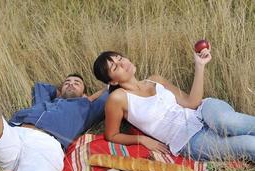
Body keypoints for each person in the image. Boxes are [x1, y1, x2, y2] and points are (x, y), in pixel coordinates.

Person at [93, 49, 255, 163]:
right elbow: (111, 135)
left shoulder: (156, 79)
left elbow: (192, 103)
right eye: (115, 67)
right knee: (249, 144)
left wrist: (200, 65)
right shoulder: (117, 98)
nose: (122, 64)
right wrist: (141, 139)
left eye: (120, 58)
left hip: (203, 111)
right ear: (112, 81)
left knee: (227, 122)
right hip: (188, 140)